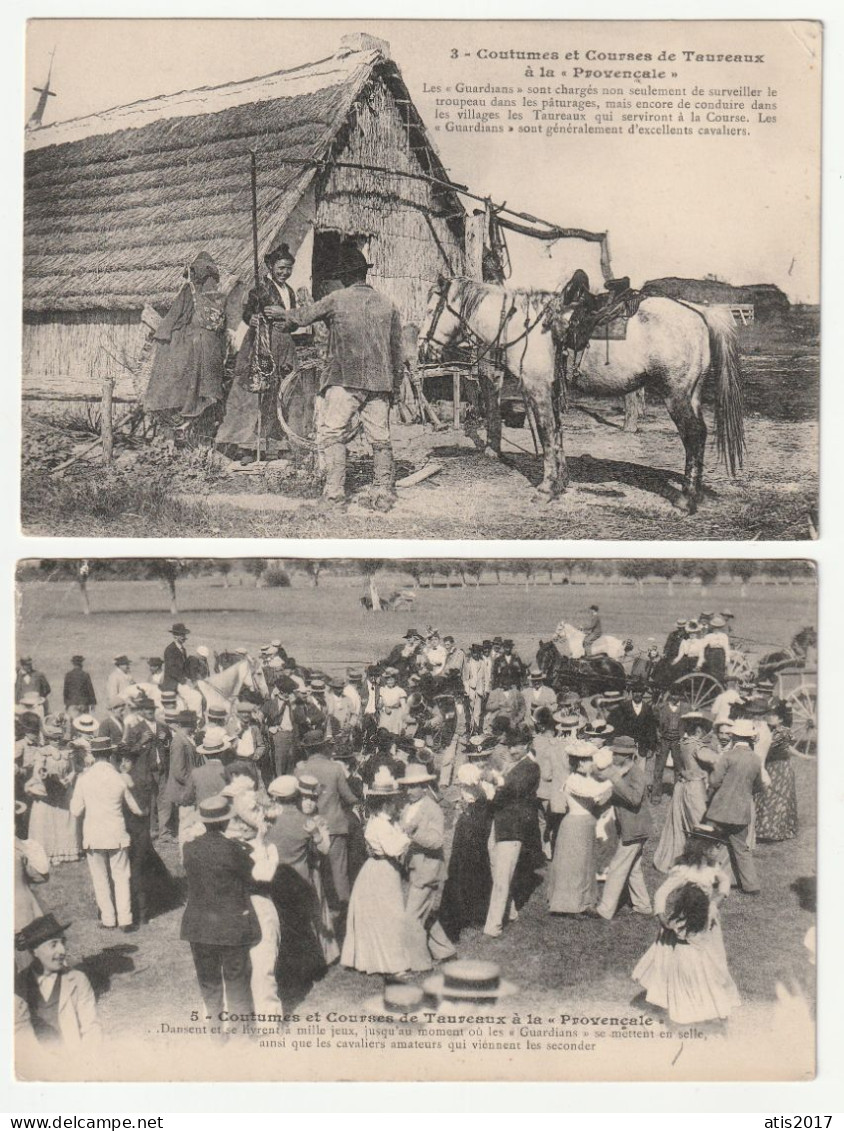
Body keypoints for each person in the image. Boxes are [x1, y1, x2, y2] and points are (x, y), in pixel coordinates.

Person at [281, 244, 404, 503]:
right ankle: (383, 491)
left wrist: (282, 314)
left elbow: (303, 317)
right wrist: (396, 387)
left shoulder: (337, 299)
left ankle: (335, 493)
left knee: (333, 433)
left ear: (345, 277)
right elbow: (397, 352)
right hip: (380, 382)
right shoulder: (388, 304)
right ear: (364, 275)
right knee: (380, 438)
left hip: (344, 379)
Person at [632, 826, 740, 1025]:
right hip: (688, 922)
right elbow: (661, 893)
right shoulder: (684, 871)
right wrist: (661, 917)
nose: (719, 850)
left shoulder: (713, 867)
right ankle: (684, 1001)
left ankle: (717, 1000)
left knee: (715, 961)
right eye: (716, 846)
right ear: (703, 847)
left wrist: (717, 900)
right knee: (683, 963)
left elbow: (724, 881)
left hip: (708, 924)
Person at [216, 239, 302, 459]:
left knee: (281, 393)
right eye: (281, 268)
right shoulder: (260, 290)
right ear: (271, 268)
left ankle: (274, 443)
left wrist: (288, 319)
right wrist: (252, 318)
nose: (285, 272)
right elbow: (248, 314)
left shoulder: (290, 292)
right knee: (256, 391)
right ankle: (245, 445)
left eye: (288, 268)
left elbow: (293, 319)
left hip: (284, 345)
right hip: (263, 344)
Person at [180, 794, 261, 1020]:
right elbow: (250, 874)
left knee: (209, 982)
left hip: (198, 926)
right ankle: (242, 1035)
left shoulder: (190, 849)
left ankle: (215, 1032)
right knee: (236, 981)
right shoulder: (234, 850)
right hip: (230, 925)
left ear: (203, 822)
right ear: (226, 822)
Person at [144, 250, 229, 438]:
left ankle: (180, 416)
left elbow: (174, 315)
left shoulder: (189, 291)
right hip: (214, 347)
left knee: (172, 369)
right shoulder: (218, 296)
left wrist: (161, 335)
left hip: (194, 343)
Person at [341, 769, 412, 976]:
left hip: (379, 869)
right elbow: (392, 849)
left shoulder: (381, 821)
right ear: (383, 804)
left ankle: (383, 958)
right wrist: (407, 837)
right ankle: (392, 963)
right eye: (392, 802)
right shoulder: (379, 824)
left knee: (382, 915)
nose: (395, 805)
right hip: (381, 870)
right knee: (389, 916)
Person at [69, 736, 143, 931]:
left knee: (100, 878)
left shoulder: (84, 778)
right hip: (117, 833)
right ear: (111, 754)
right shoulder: (118, 777)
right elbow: (136, 809)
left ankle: (108, 919)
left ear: (93, 754)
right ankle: (125, 919)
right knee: (121, 876)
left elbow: (75, 810)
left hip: (93, 834)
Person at [294, 729, 358, 936]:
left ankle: (320, 914)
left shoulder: (300, 771)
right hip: (335, 826)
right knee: (339, 872)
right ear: (323, 746)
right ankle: (345, 914)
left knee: (315, 872)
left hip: (310, 827)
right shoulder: (334, 768)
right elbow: (349, 797)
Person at [398, 763, 456, 971]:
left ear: (425, 786)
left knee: (411, 917)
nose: (409, 791)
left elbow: (437, 841)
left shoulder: (432, 809)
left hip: (428, 870)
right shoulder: (408, 807)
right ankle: (445, 950)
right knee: (425, 913)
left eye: (414, 787)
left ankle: (420, 964)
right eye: (407, 787)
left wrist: (413, 833)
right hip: (414, 868)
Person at [14, 913, 101, 1052]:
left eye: (63, 942)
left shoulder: (78, 980)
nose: (62, 950)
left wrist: (87, 1061)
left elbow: (91, 1027)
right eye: (53, 945)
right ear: (34, 951)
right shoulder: (17, 987)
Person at [548, 742, 613, 916]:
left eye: (590, 760)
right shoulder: (573, 780)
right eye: (586, 761)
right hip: (575, 826)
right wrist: (614, 779)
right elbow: (593, 793)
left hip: (586, 825)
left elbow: (598, 798)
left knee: (586, 865)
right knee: (574, 866)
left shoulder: (586, 778)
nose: (590, 763)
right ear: (578, 763)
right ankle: (570, 905)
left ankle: (585, 902)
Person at [591, 736, 653, 920]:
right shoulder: (624, 771)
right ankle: (643, 905)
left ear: (625, 756)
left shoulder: (636, 773)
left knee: (617, 867)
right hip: (635, 828)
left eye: (615, 753)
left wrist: (615, 779)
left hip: (635, 829)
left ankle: (605, 910)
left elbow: (634, 798)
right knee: (633, 868)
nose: (612, 755)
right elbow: (615, 792)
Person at [483, 742, 540, 937]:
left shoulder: (531, 767)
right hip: (499, 823)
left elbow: (514, 790)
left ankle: (493, 927)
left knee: (501, 876)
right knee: (496, 869)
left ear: (527, 746)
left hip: (513, 827)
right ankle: (511, 911)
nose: (513, 751)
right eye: (511, 748)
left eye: (517, 747)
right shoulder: (511, 764)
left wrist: (495, 782)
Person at [705, 718, 763, 894]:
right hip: (741, 811)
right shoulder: (755, 759)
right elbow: (758, 786)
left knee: (710, 844)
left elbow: (714, 781)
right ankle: (751, 886)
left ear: (735, 737)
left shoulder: (727, 756)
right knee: (742, 849)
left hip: (720, 810)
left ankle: (704, 879)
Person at [439, 765, 494, 943]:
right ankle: (474, 913)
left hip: (470, 835)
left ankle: (467, 914)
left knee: (465, 872)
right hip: (472, 835)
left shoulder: (478, 793)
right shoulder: (480, 794)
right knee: (472, 872)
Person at [653, 712, 713, 873]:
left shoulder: (683, 743)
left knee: (681, 823)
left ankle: (686, 857)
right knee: (700, 823)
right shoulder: (697, 746)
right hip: (695, 787)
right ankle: (703, 862)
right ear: (699, 730)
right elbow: (715, 760)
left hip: (682, 785)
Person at [754, 703, 799, 842]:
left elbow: (769, 748)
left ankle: (774, 831)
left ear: (780, 719)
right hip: (772, 766)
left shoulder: (783, 731)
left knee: (776, 798)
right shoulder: (771, 729)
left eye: (773, 715)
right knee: (768, 797)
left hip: (780, 767)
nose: (769, 717)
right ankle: (766, 829)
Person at [652, 690, 688, 804]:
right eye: (673, 694)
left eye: (677, 694)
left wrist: (685, 736)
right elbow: (654, 721)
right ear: (670, 695)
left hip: (678, 740)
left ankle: (678, 796)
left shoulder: (686, 708)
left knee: (679, 768)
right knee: (659, 768)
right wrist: (657, 733)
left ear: (680, 696)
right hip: (664, 740)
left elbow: (691, 722)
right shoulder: (662, 707)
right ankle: (656, 795)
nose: (675, 696)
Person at [62, 656, 96, 722]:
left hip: (72, 704)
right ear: (81, 664)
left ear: (73, 664)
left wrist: (66, 704)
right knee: (83, 725)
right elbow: (90, 691)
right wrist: (93, 704)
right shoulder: (85, 675)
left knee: (74, 725)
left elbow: (65, 692)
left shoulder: (68, 675)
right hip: (83, 704)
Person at [162, 624, 191, 692]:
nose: (184, 637)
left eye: (184, 635)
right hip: (172, 683)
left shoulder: (183, 649)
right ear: (175, 636)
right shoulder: (170, 649)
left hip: (180, 681)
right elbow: (172, 669)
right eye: (181, 635)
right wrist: (184, 681)